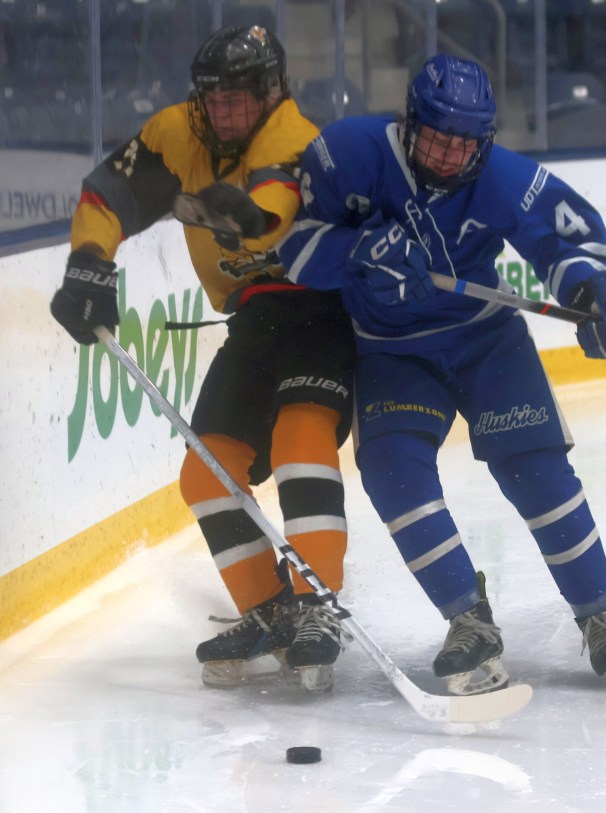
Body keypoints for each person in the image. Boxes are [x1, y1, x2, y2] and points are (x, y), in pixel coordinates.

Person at [279, 53, 606, 695]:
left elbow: (567, 239)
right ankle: (469, 622)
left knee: (538, 473)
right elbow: (294, 248)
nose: (451, 157)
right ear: (410, 124)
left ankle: (599, 614)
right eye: (438, 140)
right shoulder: (346, 154)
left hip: (486, 342)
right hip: (391, 351)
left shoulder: (503, 177)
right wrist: (357, 250)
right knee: (395, 476)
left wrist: (595, 289)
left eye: (465, 145)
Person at [49, 25, 355, 693]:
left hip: (321, 310)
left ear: (271, 94)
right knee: (204, 472)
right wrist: (88, 264)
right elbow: (106, 194)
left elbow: (272, 206)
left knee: (301, 442)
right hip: (254, 316)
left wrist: (240, 216)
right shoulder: (171, 134)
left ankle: (316, 606)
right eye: (214, 100)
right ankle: (270, 610)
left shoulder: (292, 134)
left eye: (239, 100)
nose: (224, 114)